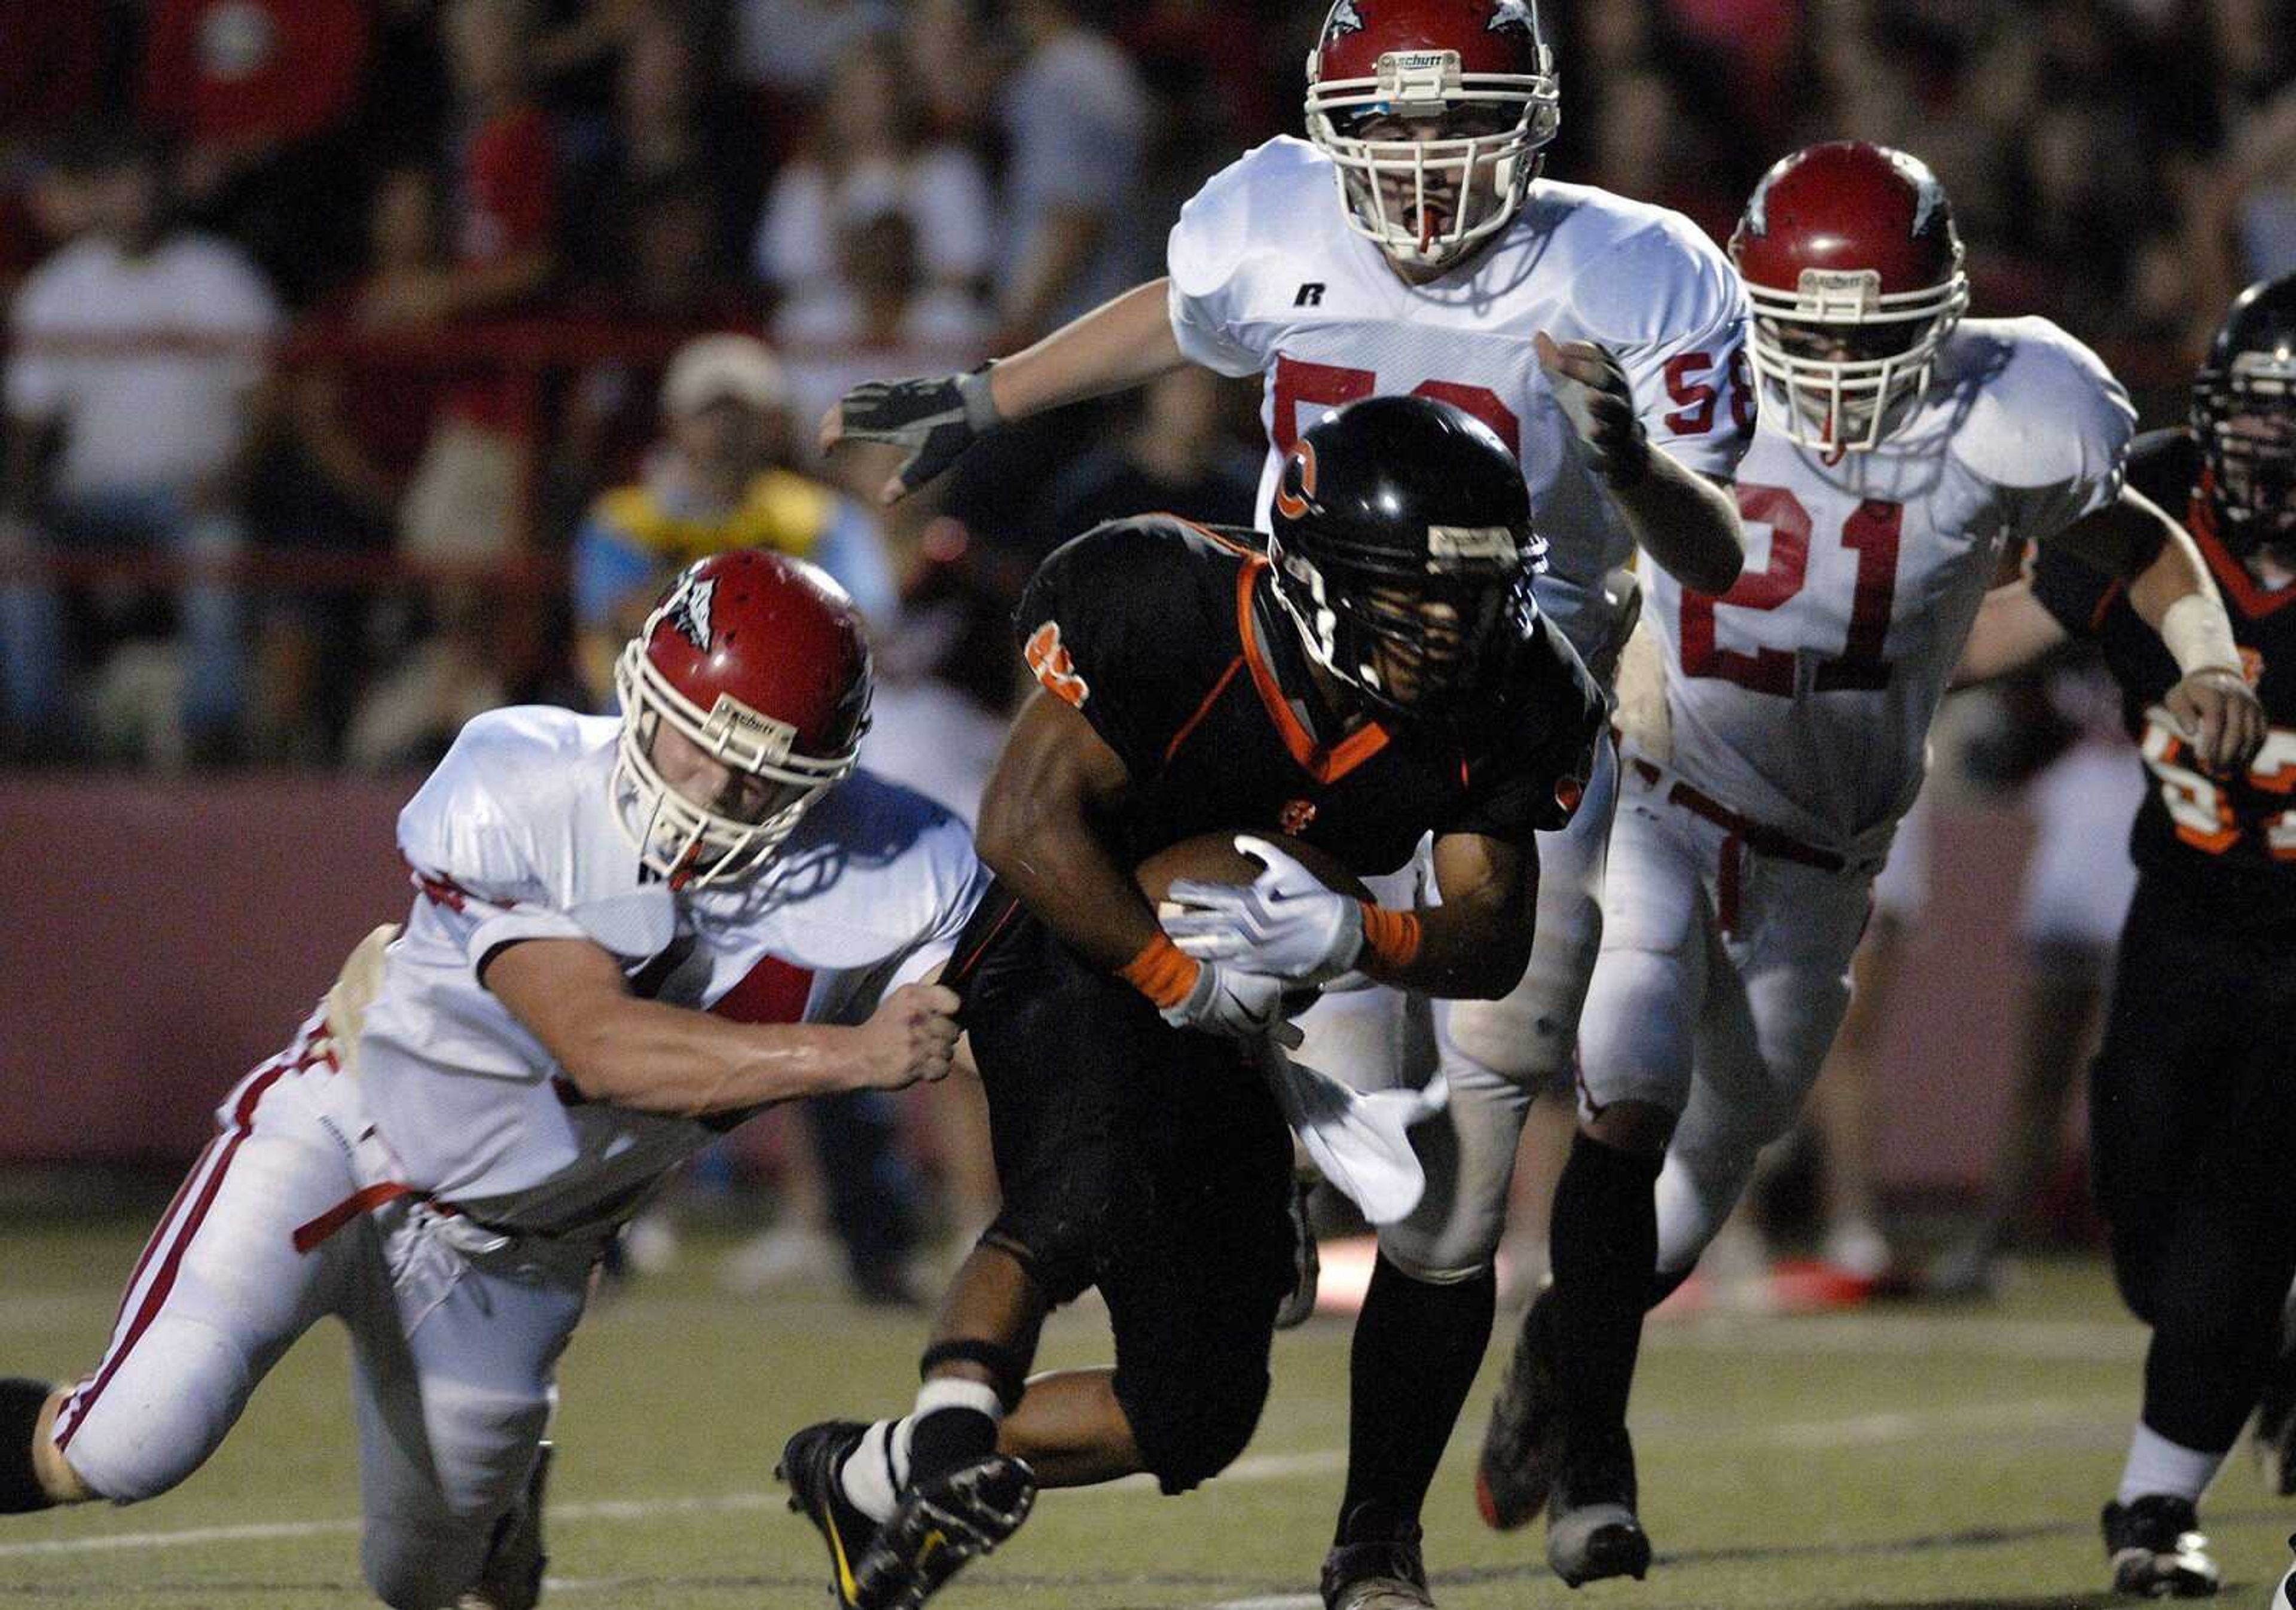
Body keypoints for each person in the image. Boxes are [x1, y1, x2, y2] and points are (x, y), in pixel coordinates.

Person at [819, 6, 1754, 1601]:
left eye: (1448, 125)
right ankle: (1223, 1249)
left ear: (1531, 122)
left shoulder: (1638, 266)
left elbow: (1717, 553)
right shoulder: (1268, 213)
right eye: (1381, 132)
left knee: (1460, 1178)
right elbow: (1189, 315)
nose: (1415, 167)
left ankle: (1374, 1530)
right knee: (1258, 1140)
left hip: (1507, 746)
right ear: (1330, 128)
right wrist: (992, 394)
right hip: (1290, 734)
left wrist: (1644, 470)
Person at [1471, 142, 2266, 1587]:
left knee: (1709, 1169)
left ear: (1943, 312)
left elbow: (2133, 540)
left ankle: (1565, 1339)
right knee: (1627, 1093)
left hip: (1829, 854)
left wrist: (2206, 653)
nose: (1834, 373)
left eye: (1873, 336)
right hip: (1669, 790)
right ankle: (1598, 1458)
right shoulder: (1682, 365)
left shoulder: (2008, 409)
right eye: (1809, 334)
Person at [0, 548, 977, 1610]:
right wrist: (857, 1051)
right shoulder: (520, 772)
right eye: (689, 738)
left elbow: (999, 1030)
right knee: (131, 1439)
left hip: (518, 1255)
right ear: (640, 686)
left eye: (754, 772)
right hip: (342, 1142)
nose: (706, 786)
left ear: (819, 778)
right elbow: (596, 1044)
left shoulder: (904, 862)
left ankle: (504, 1511)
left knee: (423, 1580)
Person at [779, 394, 1608, 1610]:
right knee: (1086, 1186)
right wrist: (1178, 978)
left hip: (1271, 984)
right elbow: (1022, 828)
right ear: (1317, 574)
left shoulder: (1516, 692)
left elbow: (1488, 940)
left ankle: (871, 1469)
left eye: (1477, 596)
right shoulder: (1162, 602)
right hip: (1080, 930)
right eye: (1417, 596)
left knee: (1196, 1411)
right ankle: (954, 1444)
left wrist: (1361, 932)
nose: (1455, 629)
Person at [1951, 271, 2296, 1599]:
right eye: (2254, 417)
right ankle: (2257, 1364)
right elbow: (1999, 636)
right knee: (2149, 1231)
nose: (2269, 449)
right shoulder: (2154, 504)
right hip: (2188, 917)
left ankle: (2155, 1509)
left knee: (2235, 1231)